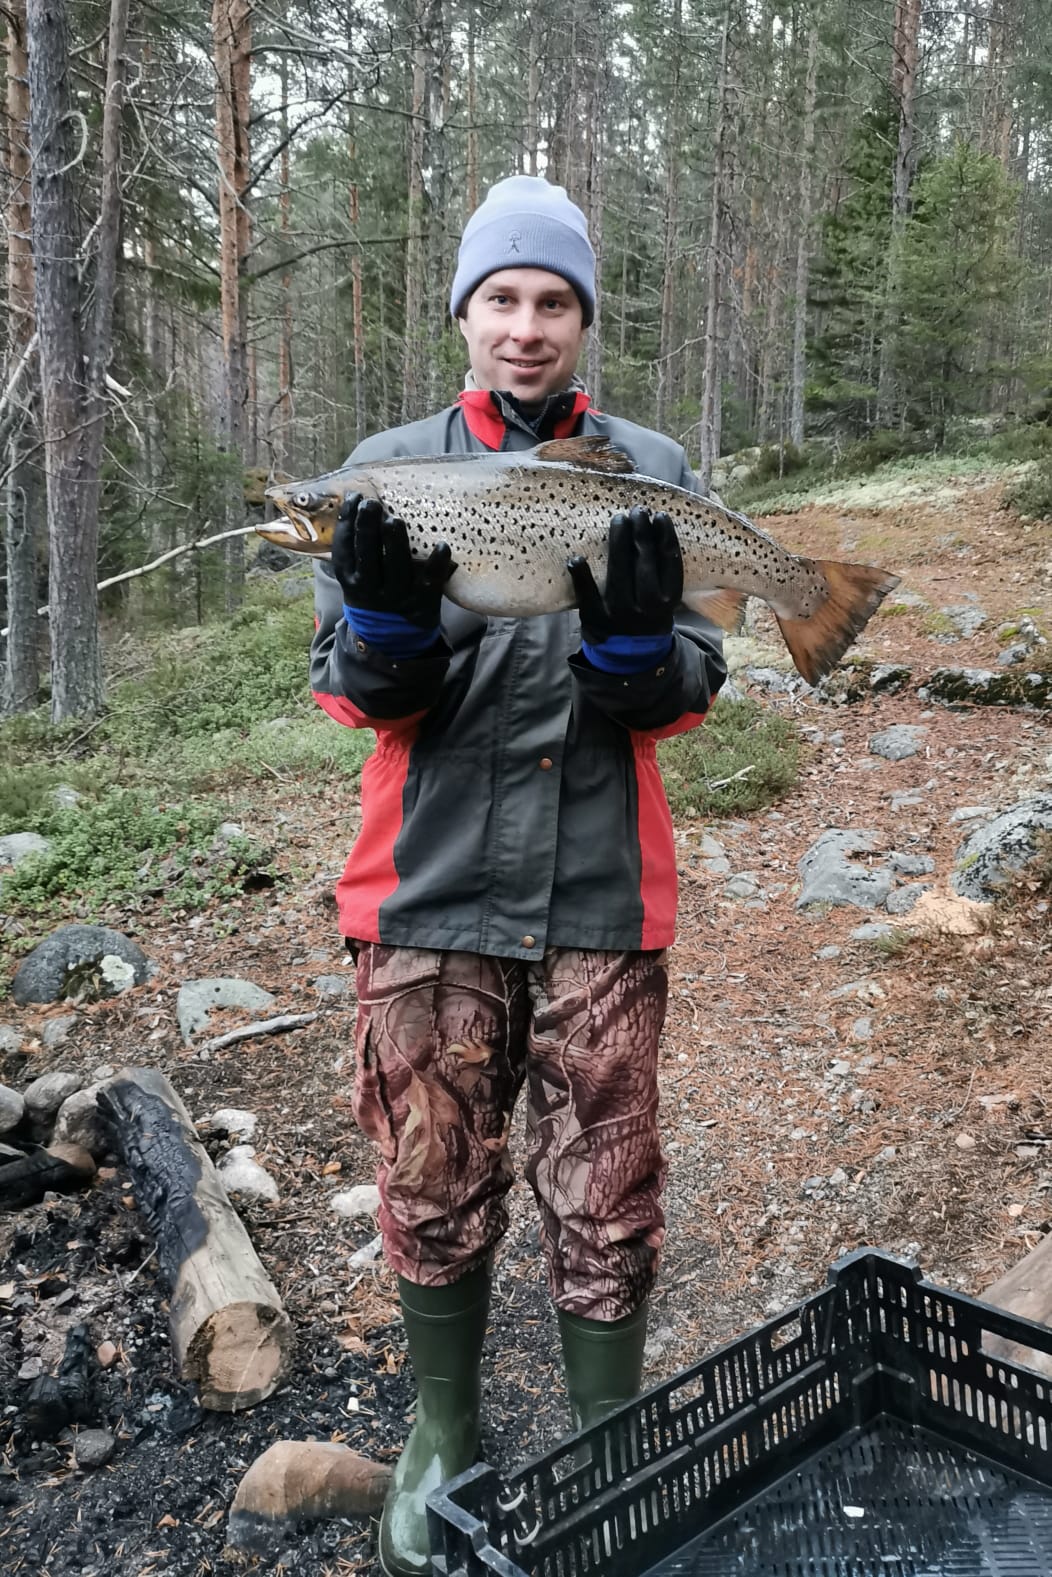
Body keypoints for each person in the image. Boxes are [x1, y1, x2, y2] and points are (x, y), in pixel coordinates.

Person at [310, 174, 727, 1577]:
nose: (527, 326)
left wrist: (640, 656)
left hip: (603, 874)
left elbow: (692, 688)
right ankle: (444, 1428)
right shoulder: (387, 470)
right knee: (429, 1166)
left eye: (554, 301)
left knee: (608, 1176)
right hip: (425, 882)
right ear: (465, 314)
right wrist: (388, 631)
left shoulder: (650, 466)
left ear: (583, 319)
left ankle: (608, 1434)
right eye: (503, 298)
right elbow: (349, 693)